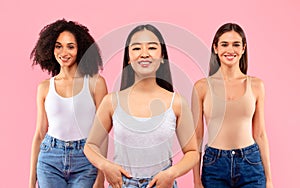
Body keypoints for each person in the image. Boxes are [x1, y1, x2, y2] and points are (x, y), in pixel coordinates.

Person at [84, 24, 199, 188]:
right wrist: (105, 165)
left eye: (152, 47)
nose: (144, 54)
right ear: (129, 57)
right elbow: (90, 145)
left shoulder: (177, 102)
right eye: (136, 48)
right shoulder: (111, 102)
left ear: (162, 56)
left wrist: (171, 174)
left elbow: (192, 152)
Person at [192, 23, 273, 188]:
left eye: (236, 44)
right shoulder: (201, 87)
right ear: (215, 48)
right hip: (214, 165)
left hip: (250, 163)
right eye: (224, 44)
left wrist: (269, 180)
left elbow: (260, 134)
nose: (230, 50)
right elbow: (197, 138)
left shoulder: (256, 85)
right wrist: (196, 180)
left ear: (243, 48)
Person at [29, 19, 108, 188]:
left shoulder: (95, 83)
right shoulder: (44, 87)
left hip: (86, 158)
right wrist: (31, 183)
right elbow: (39, 134)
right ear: (50, 48)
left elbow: (103, 132)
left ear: (81, 50)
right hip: (50, 158)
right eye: (58, 46)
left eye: (70, 46)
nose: (64, 52)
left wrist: (101, 176)